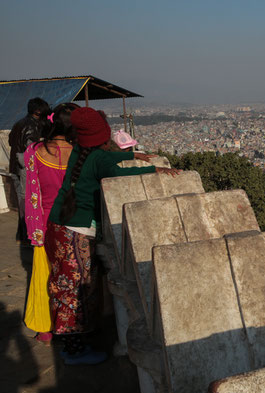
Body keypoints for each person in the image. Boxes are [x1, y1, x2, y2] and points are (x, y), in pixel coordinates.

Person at [45, 107, 178, 365]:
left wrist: (133, 154)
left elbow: (106, 161)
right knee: (77, 290)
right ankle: (75, 350)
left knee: (63, 286)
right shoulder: (99, 160)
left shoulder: (80, 153)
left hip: (59, 224)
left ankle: (70, 343)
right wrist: (153, 170)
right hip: (78, 231)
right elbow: (118, 173)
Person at [23, 103, 79, 345]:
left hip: (44, 223)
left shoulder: (34, 152)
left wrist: (34, 231)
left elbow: (31, 194)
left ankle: (45, 328)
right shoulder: (81, 153)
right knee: (73, 277)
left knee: (44, 275)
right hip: (75, 222)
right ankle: (72, 326)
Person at [9, 98, 51, 242]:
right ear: (38, 111)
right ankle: (28, 232)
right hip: (25, 169)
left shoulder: (18, 124)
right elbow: (31, 149)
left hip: (15, 167)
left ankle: (23, 233)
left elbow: (10, 141)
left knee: (22, 200)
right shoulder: (32, 127)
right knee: (28, 201)